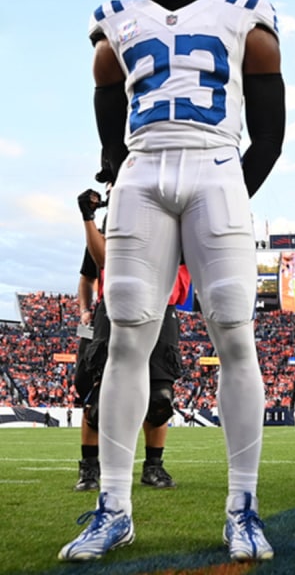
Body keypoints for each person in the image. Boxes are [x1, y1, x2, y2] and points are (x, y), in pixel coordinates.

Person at [59, 0, 284, 563]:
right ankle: (113, 510)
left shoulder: (240, 13)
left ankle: (242, 507)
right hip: (143, 171)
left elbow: (268, 134)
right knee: (127, 334)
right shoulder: (120, 22)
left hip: (216, 162)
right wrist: (110, 154)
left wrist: (235, 189)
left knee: (235, 333)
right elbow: (105, 76)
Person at [73, 186, 187, 493]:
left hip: (162, 308)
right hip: (114, 308)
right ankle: (89, 469)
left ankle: (154, 466)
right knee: (98, 396)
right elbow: (95, 270)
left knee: (160, 398)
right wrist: (84, 310)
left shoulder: (175, 223)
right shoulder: (114, 226)